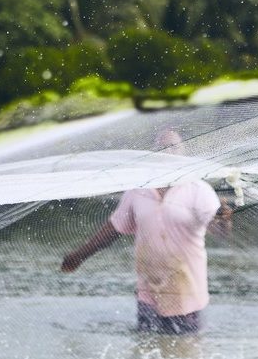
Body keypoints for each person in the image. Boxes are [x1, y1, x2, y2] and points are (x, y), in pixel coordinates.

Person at [61, 129, 232, 335]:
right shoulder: (138, 190)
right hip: (148, 295)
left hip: (187, 295)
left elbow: (218, 230)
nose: (167, 153)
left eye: (173, 147)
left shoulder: (199, 190)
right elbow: (114, 228)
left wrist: (224, 219)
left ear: (183, 153)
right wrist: (79, 256)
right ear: (154, 154)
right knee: (145, 347)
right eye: (161, 148)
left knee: (186, 349)